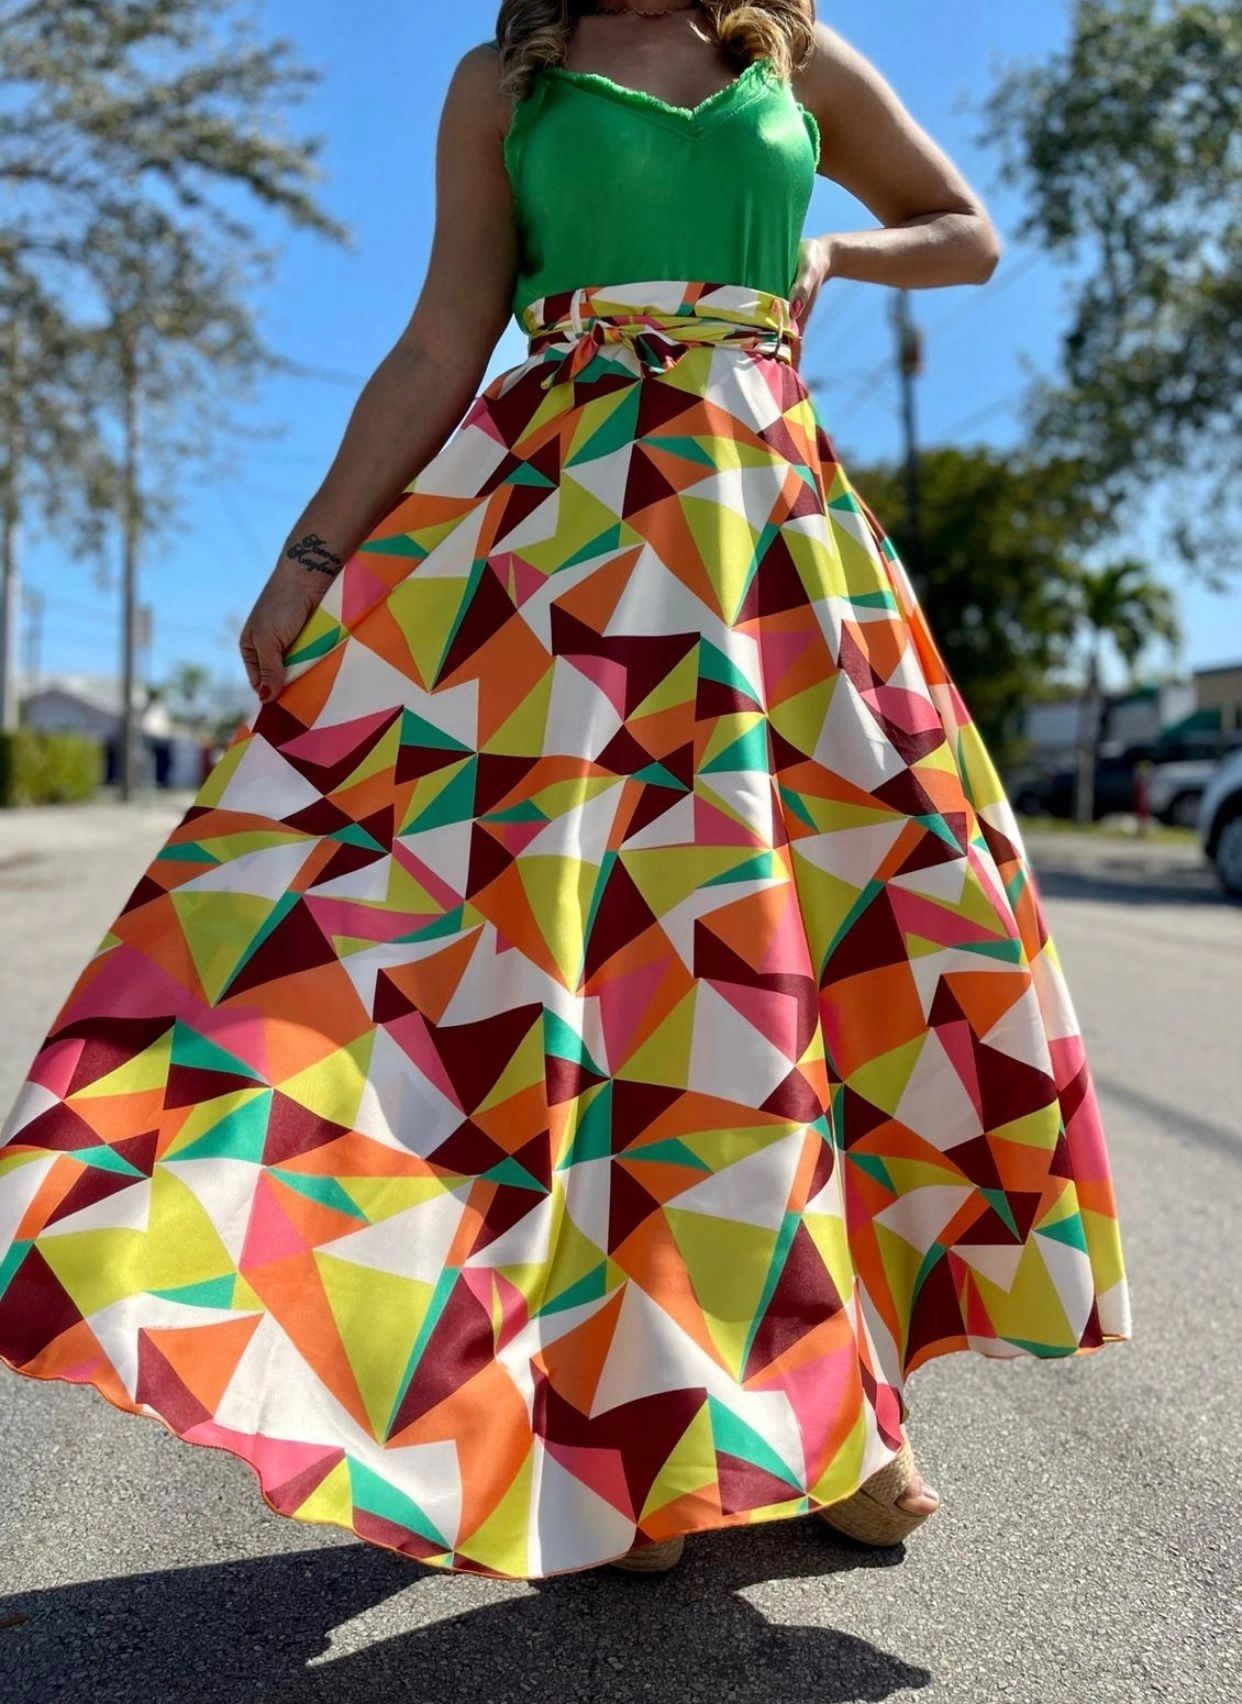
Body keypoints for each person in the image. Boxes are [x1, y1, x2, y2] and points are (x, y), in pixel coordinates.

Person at [0, 1, 1132, 1580]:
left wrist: (829, 261)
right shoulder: (506, 82)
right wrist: (311, 556)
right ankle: (634, 1435)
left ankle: (837, 1423)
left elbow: (966, 232)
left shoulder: (786, 62)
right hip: (558, 566)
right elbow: (436, 336)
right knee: (572, 987)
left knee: (802, 964)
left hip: (763, 562)